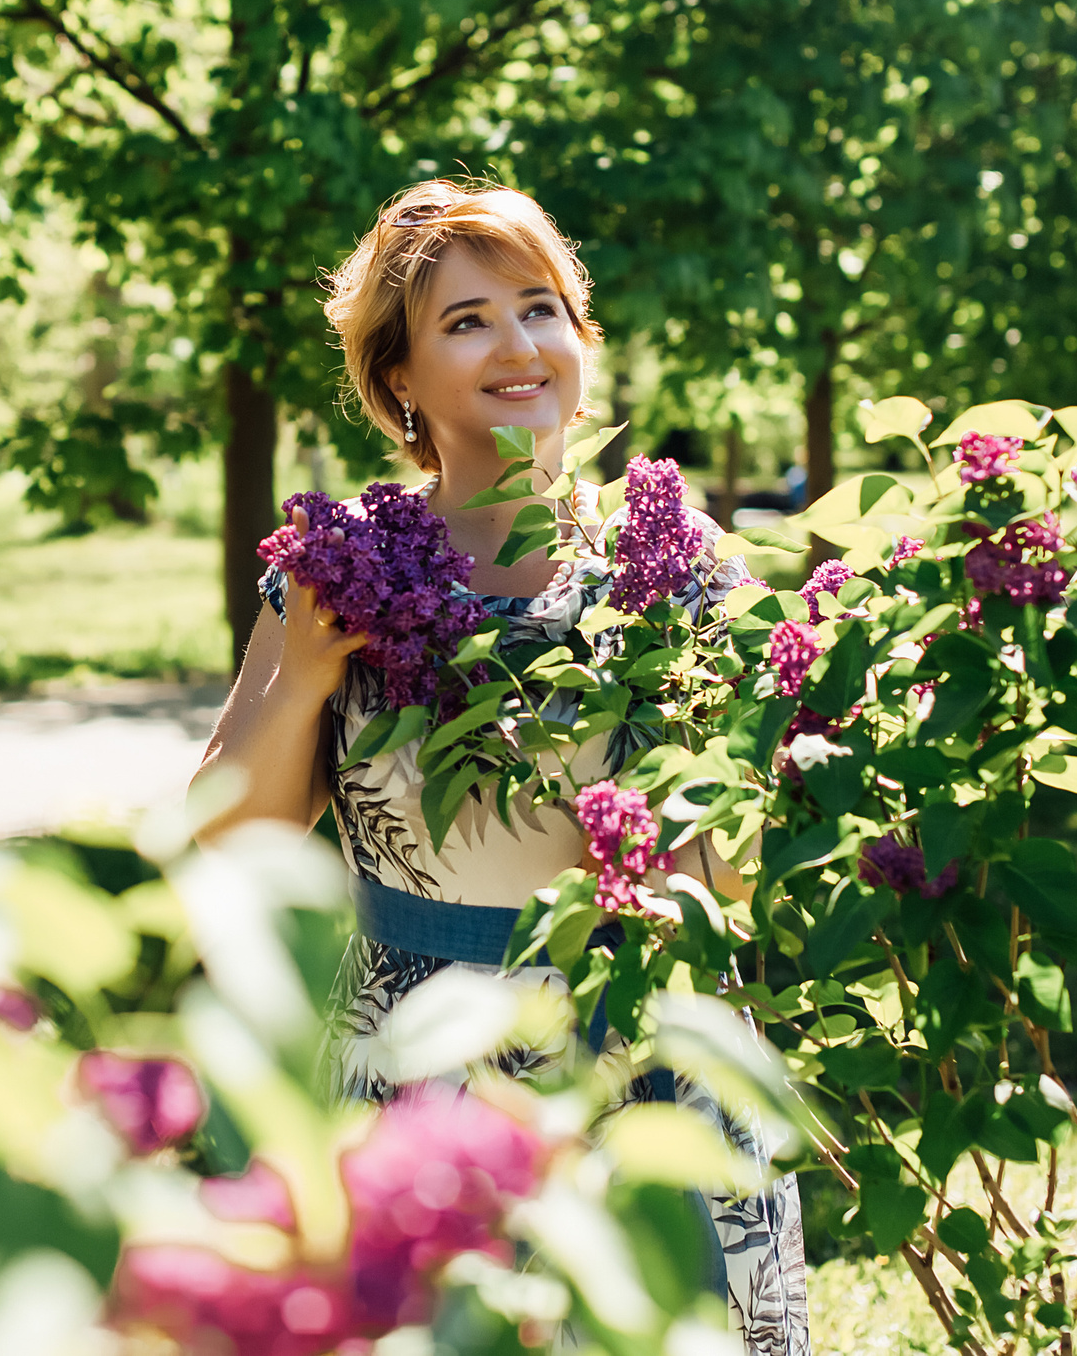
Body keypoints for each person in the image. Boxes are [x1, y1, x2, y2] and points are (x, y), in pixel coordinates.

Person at [195, 178, 811, 1352]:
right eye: (465, 320)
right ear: (397, 382)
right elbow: (228, 845)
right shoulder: (336, 572)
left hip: (652, 1057)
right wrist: (313, 669)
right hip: (424, 1075)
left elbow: (744, 862)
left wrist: (715, 838)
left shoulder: (678, 566)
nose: (518, 345)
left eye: (539, 307)